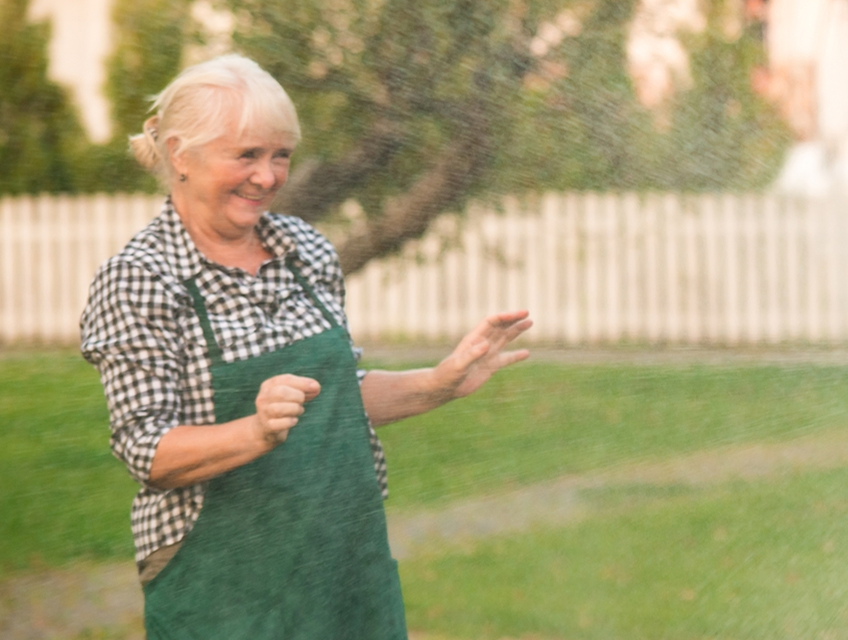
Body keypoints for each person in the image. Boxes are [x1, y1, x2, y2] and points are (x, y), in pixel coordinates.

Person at [79, 54, 532, 639]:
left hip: (344, 563)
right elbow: (147, 450)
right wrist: (255, 431)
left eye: (280, 155)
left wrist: (438, 382)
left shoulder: (306, 252)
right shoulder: (143, 278)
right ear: (178, 155)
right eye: (246, 155)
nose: (267, 177)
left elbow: (335, 396)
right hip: (224, 587)